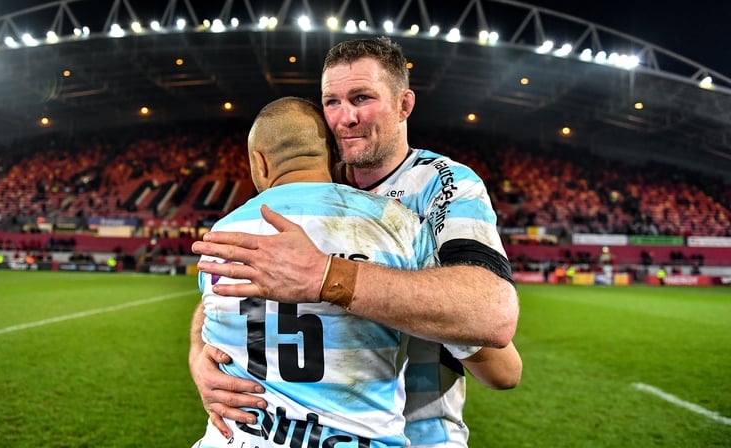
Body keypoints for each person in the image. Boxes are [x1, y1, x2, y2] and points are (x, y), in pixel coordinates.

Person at [191, 37, 521, 447]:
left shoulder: (444, 184)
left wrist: (330, 276)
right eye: (331, 102)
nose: (345, 118)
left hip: (422, 433)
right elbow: (226, 286)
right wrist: (200, 355)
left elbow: (492, 316)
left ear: (404, 105)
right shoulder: (308, 192)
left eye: (361, 98)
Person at [191, 96, 439, 447]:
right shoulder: (397, 223)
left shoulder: (223, 233)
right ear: (333, 156)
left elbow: (211, 308)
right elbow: (486, 356)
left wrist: (196, 354)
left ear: (260, 163)